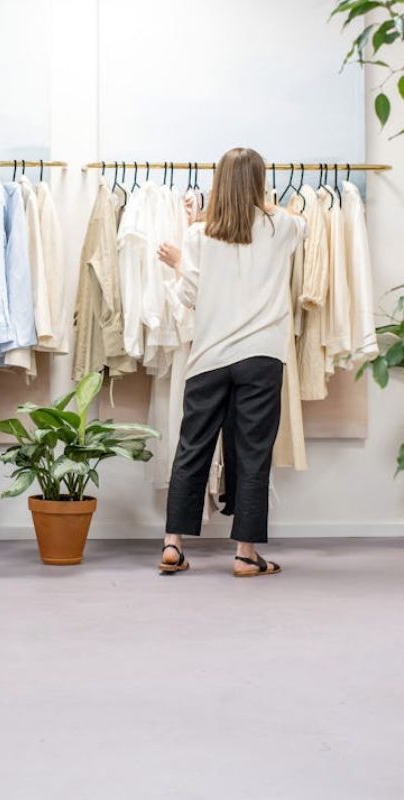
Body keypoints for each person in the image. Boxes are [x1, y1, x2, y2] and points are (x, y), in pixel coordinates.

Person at [155, 147, 303, 577]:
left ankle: (172, 546)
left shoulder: (199, 235)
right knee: (253, 454)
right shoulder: (282, 226)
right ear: (260, 183)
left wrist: (182, 264)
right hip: (262, 355)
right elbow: (302, 225)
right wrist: (261, 201)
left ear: (217, 182)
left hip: (209, 357)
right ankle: (244, 554)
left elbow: (190, 296)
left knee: (192, 449)